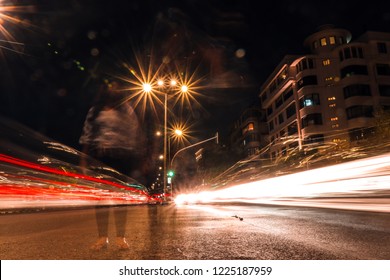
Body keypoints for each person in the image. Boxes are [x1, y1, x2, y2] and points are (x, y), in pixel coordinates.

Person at [79, 79, 146, 250]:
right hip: (99, 158)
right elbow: (87, 135)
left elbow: (134, 133)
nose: (113, 90)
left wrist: (136, 159)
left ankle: (120, 238)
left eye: (116, 87)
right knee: (101, 199)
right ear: (104, 89)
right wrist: (84, 159)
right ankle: (102, 238)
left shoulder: (126, 110)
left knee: (119, 199)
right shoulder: (95, 111)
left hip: (121, 158)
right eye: (110, 86)